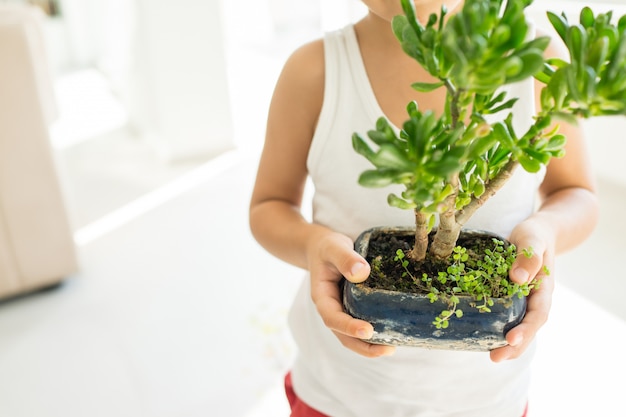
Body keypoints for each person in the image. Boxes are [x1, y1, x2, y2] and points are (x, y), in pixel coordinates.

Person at [249, 0, 599, 416]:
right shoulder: (315, 71)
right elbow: (269, 206)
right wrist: (312, 243)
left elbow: (577, 193)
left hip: (489, 399)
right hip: (338, 395)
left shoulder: (539, 65)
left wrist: (547, 232)